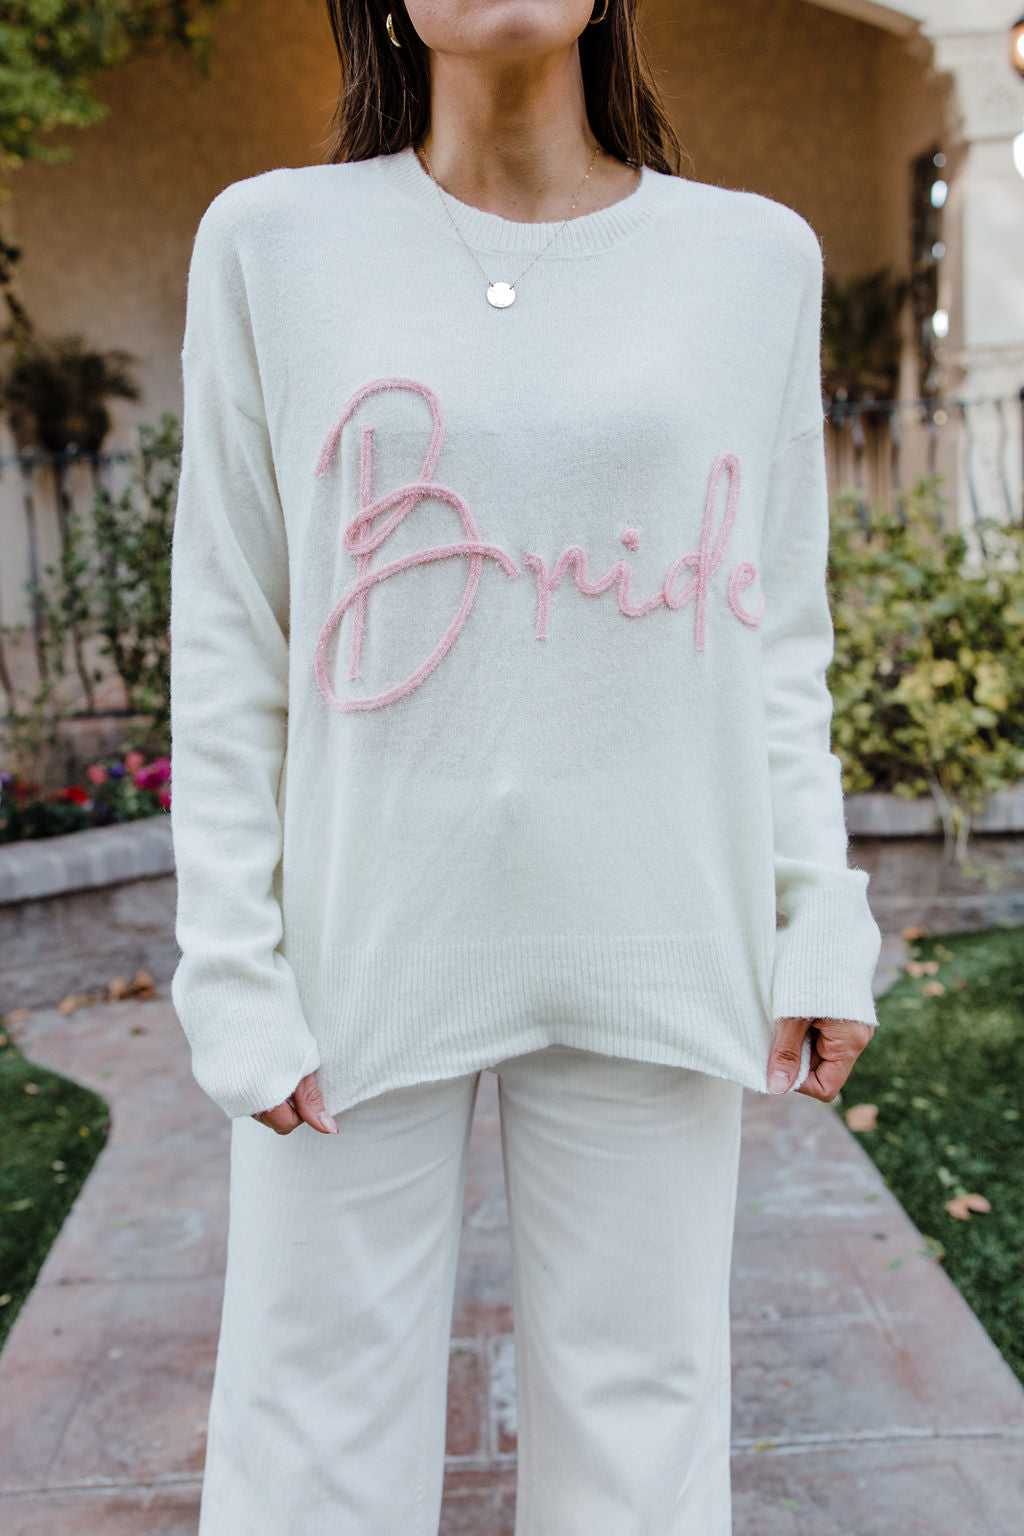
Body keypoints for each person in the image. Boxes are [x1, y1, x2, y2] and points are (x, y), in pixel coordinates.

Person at [168, 0, 883, 1530]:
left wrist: (817, 912)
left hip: (655, 931)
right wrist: (229, 967)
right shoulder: (271, 245)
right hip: (354, 948)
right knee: (307, 1436)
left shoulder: (755, 260)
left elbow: (777, 629)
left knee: (644, 1432)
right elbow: (231, 630)